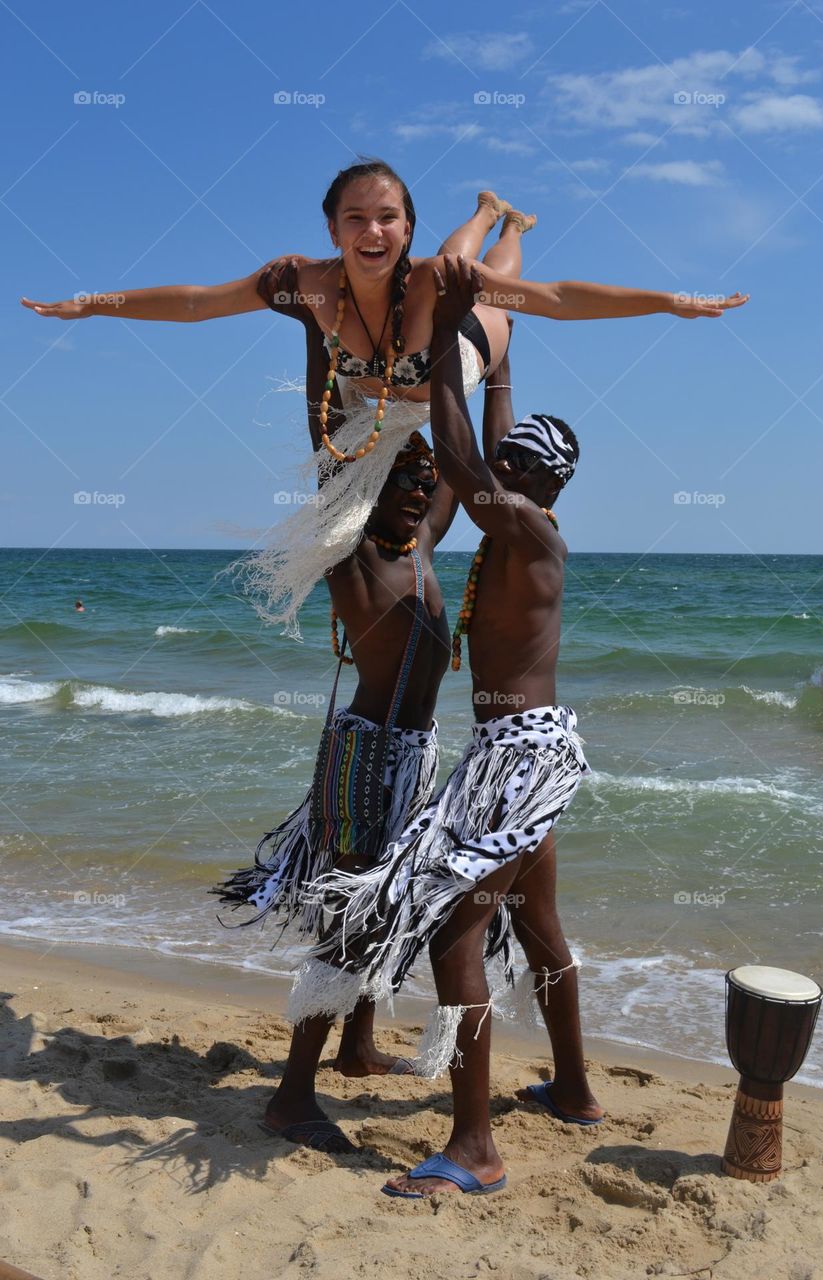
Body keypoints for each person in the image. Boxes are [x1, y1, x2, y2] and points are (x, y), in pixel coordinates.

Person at [22, 157, 749, 633]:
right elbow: (193, 303)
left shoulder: (427, 277)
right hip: (380, 395)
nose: (373, 230)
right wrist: (93, 303)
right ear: (332, 229)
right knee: (463, 258)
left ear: (405, 227)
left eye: (388, 218)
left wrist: (668, 300)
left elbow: (554, 298)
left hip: (458, 358)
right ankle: (491, 205)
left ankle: (504, 221)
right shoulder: (307, 282)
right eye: (356, 218)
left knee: (482, 279)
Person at [310, 257, 605, 1198]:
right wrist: (500, 346)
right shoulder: (522, 520)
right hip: (526, 748)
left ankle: (474, 1147)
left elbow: (468, 459)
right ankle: (572, 1089)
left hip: (516, 755)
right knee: (540, 922)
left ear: (535, 482)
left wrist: (444, 346)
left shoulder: (519, 522)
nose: (494, 468)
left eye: (512, 462)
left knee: (452, 937)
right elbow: (482, 446)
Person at [212, 272, 458, 1153]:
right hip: (363, 757)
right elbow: (326, 442)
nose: (419, 486)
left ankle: (356, 1047)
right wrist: (312, 332)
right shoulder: (352, 552)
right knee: (350, 914)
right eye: (404, 474)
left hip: (415, 752)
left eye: (422, 479)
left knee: (385, 906)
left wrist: (472, 333)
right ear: (373, 482)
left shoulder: (422, 548)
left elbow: (456, 468)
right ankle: (290, 1094)